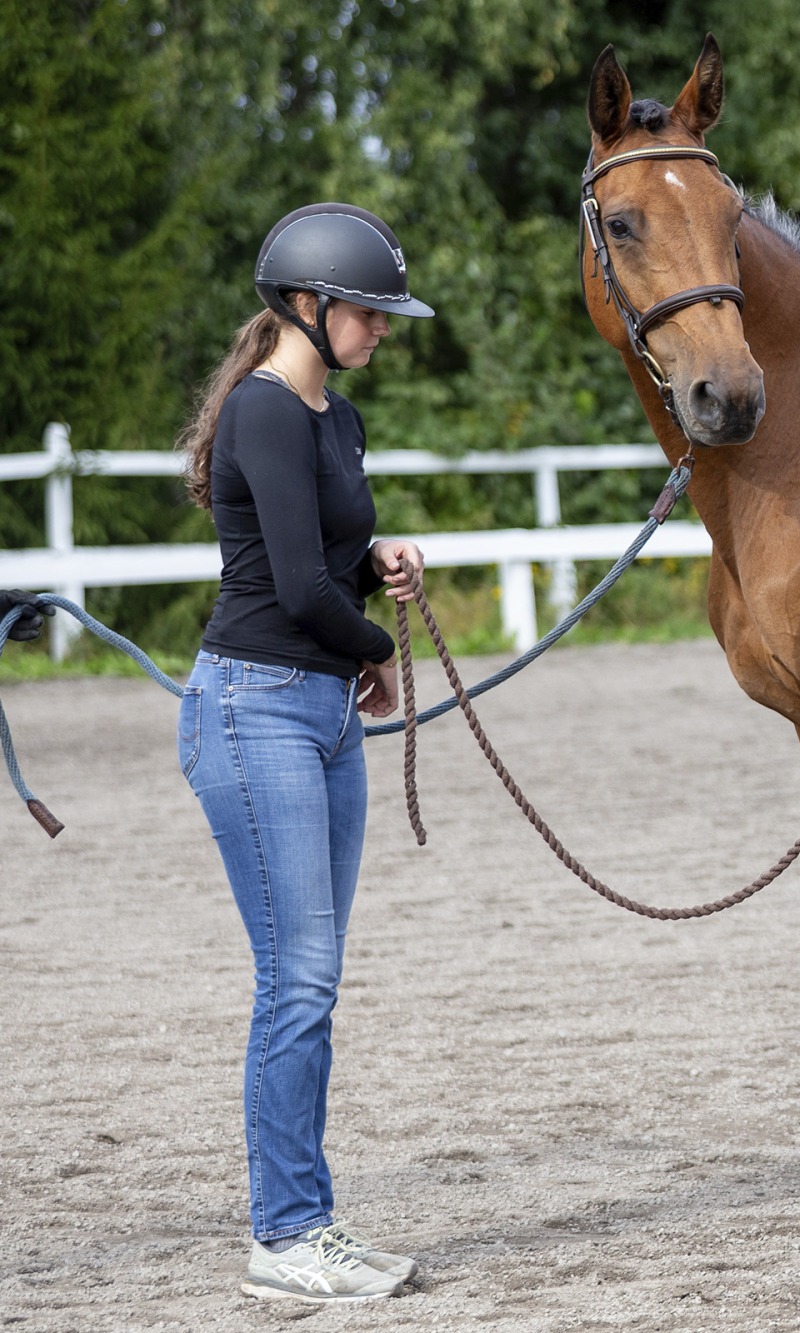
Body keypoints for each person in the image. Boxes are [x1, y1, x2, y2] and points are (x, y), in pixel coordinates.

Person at [174, 203, 433, 1304]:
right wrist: (376, 642)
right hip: (254, 708)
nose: (382, 329)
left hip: (322, 711)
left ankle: (307, 1223)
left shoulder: (339, 419)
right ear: (307, 306)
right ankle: (286, 1233)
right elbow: (291, 590)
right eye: (369, 312)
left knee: (311, 982)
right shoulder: (266, 413)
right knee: (298, 980)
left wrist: (380, 564)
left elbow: (325, 552)